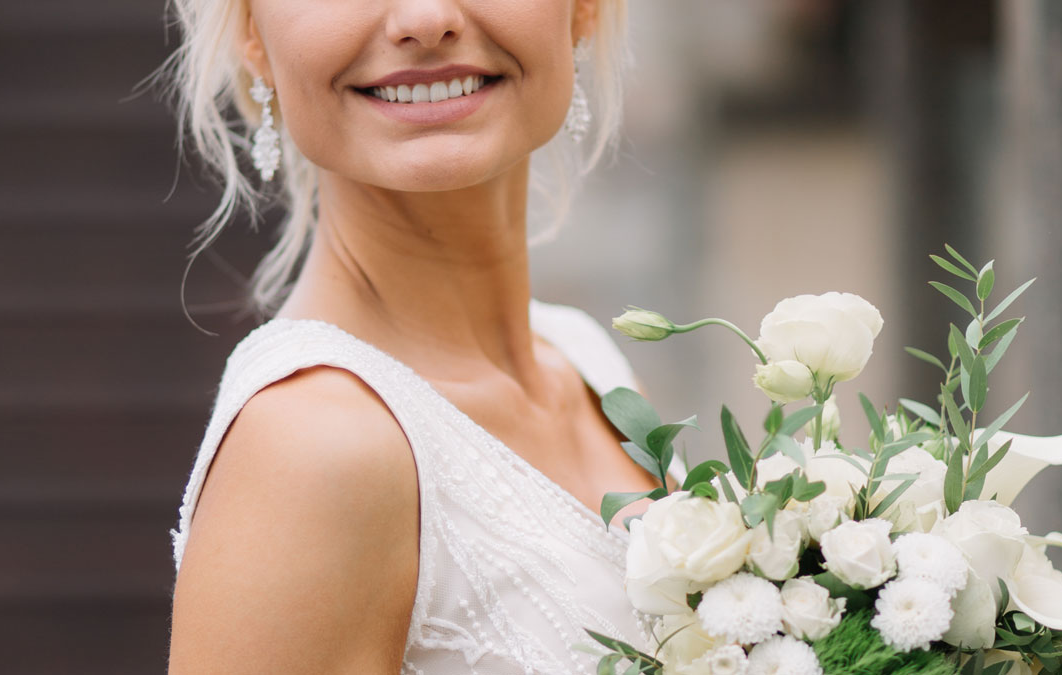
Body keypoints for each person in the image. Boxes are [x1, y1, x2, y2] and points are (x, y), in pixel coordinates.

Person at [164, 0, 683, 672]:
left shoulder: (590, 364)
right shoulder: (313, 447)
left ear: (583, 8)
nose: (425, 17)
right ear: (250, 34)